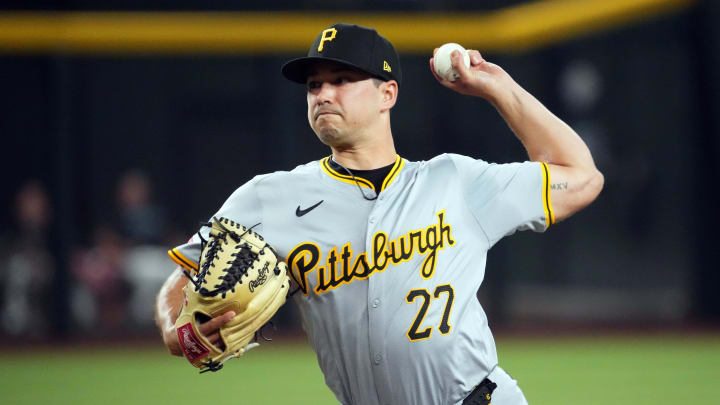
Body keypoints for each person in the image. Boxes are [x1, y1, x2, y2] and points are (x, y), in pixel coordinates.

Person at [155, 23, 603, 405]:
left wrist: (499, 88)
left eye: (341, 79)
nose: (323, 93)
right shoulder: (268, 197)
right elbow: (184, 274)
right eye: (314, 85)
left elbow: (581, 177)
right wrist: (175, 328)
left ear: (387, 93)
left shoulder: (456, 182)